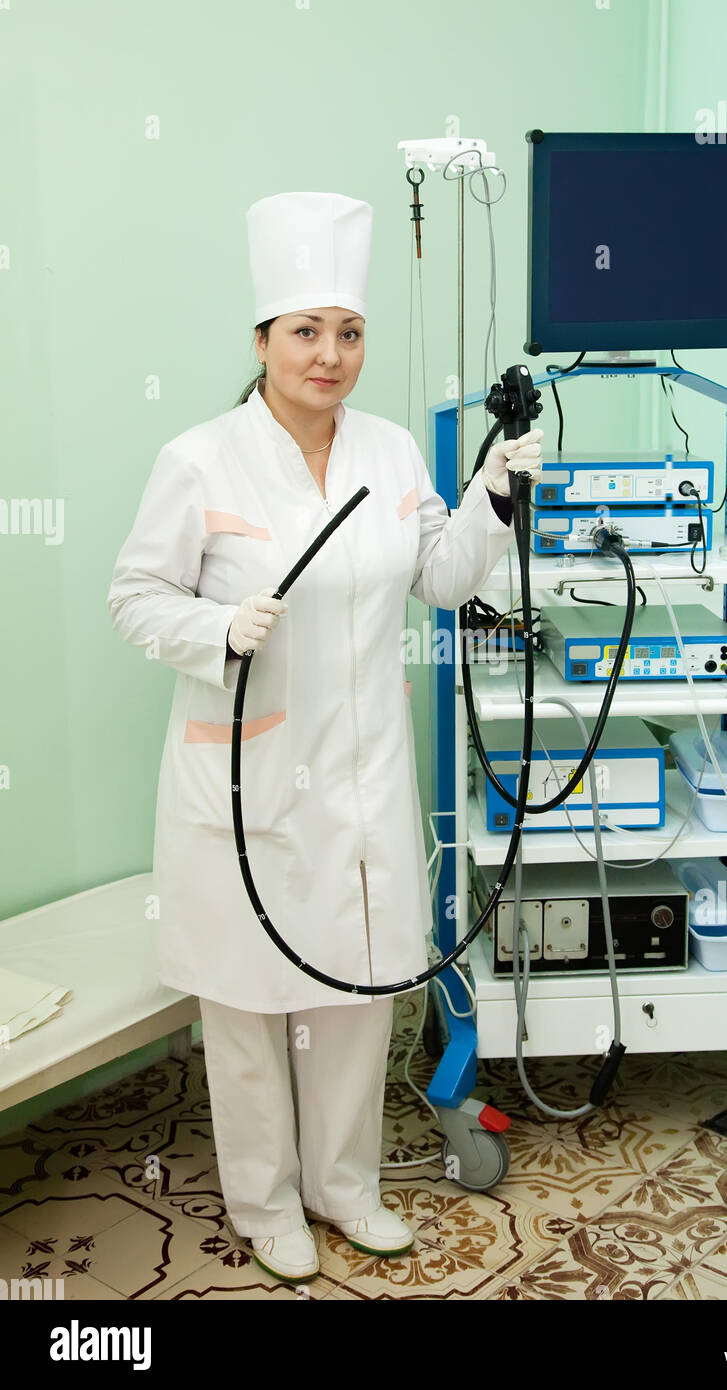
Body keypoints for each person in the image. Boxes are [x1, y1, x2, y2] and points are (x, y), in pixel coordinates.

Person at [107, 190, 543, 1282]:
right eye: (305, 331)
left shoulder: (393, 454)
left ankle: (344, 1186)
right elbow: (133, 594)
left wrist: (495, 493)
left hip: (362, 774)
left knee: (354, 991)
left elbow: (440, 578)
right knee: (249, 1005)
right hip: (246, 777)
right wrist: (215, 626)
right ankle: (264, 1206)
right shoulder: (200, 459)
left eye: (348, 332)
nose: (330, 353)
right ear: (262, 341)